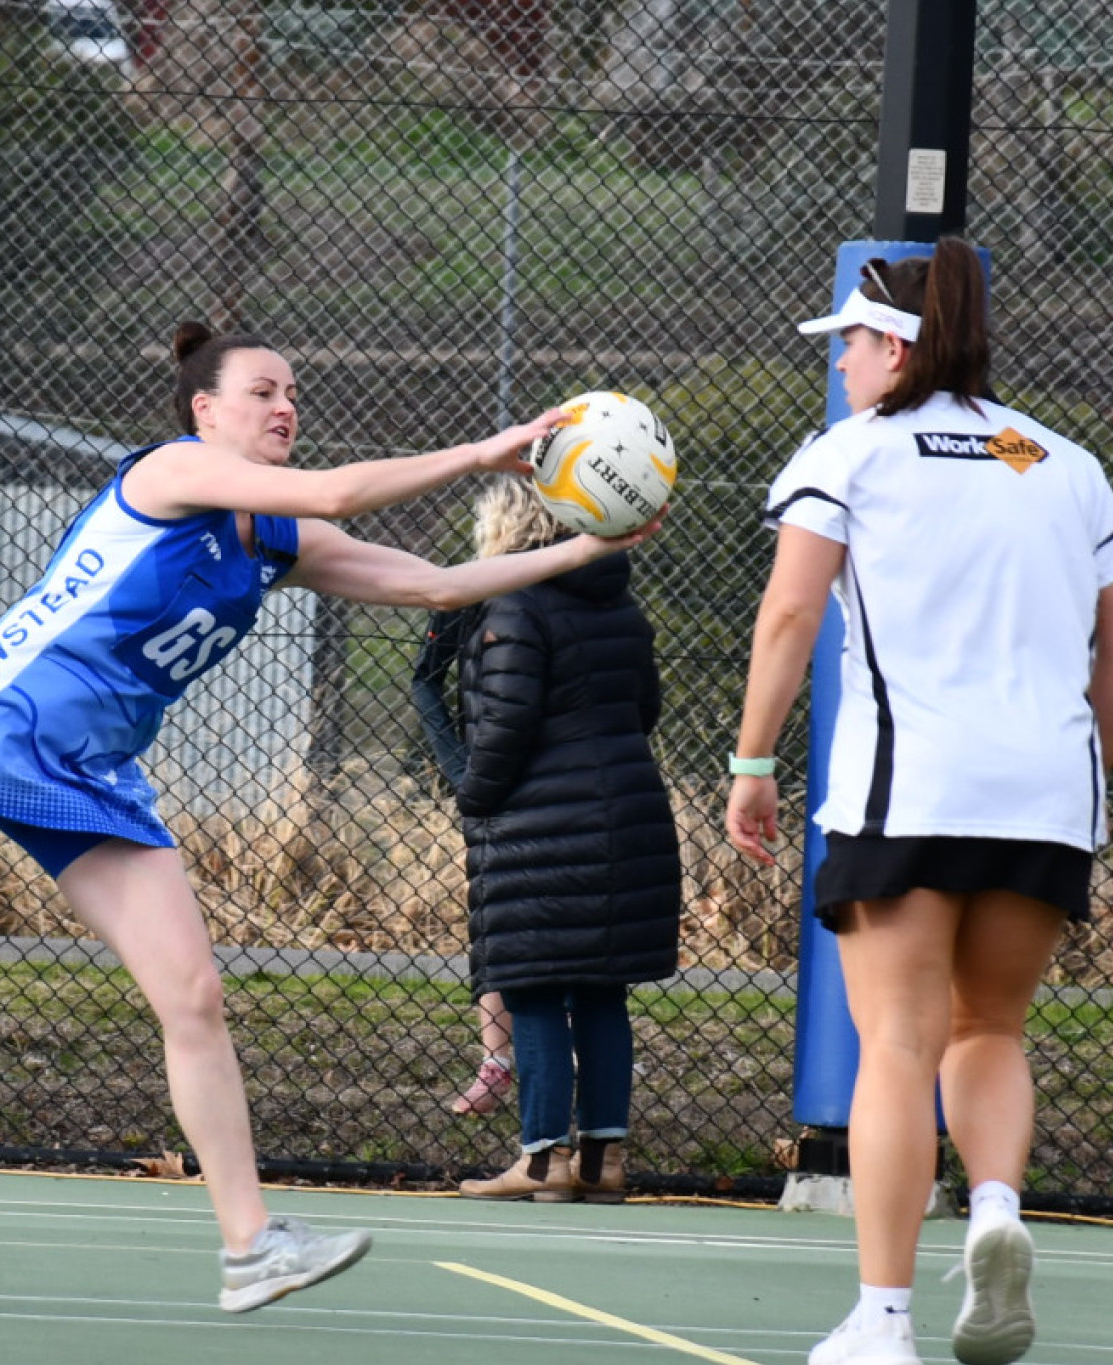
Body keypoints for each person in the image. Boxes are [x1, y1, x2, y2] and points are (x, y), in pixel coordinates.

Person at [0, 321, 661, 1311]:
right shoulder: (172, 473)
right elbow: (333, 496)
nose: (284, 408)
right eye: (263, 391)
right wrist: (482, 452)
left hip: (89, 776)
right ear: (206, 412)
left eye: (293, 395)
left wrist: (587, 549)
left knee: (192, 993)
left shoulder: (274, 543)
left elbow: (431, 586)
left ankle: (248, 1248)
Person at [726, 238, 1112, 1365]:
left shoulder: (849, 454)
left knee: (895, 1040)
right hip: (1045, 791)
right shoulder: (1067, 465)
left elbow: (788, 618)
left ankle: (882, 1317)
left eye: (848, 341)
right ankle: (993, 1208)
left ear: (891, 346)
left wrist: (751, 764)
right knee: (989, 1027)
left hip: (907, 786)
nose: (840, 362)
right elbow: (1105, 661)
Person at [449, 475, 680, 1204]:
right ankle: (601, 1157)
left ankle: (542, 1157)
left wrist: (474, 796)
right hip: (629, 811)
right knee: (602, 989)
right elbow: (647, 706)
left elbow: (504, 725)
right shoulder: (621, 603)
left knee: (535, 982)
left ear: (508, 533)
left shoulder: (514, 605)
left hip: (541, 822)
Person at [409, 604, 517, 1116]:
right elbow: (425, 679)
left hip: (567, 787)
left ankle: (572, 1061)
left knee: (567, 928)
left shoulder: (582, 583)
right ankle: (495, 1064)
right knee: (493, 924)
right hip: (490, 795)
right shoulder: (465, 592)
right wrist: (461, 772)